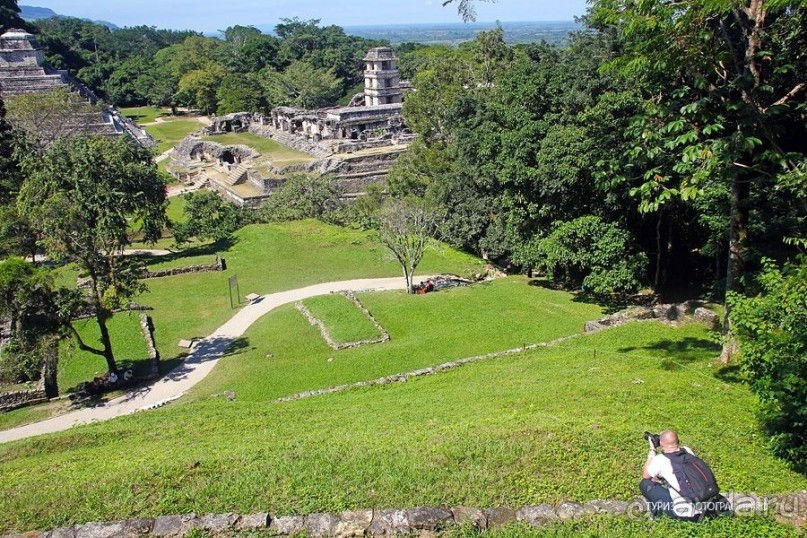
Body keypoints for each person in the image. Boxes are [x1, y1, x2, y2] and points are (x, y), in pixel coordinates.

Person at [640, 429, 703, 521]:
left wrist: (652, 450)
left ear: (661, 444)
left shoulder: (661, 460)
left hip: (682, 514)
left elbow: (646, 476)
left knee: (645, 484)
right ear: (678, 441)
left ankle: (657, 516)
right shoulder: (688, 451)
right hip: (701, 507)